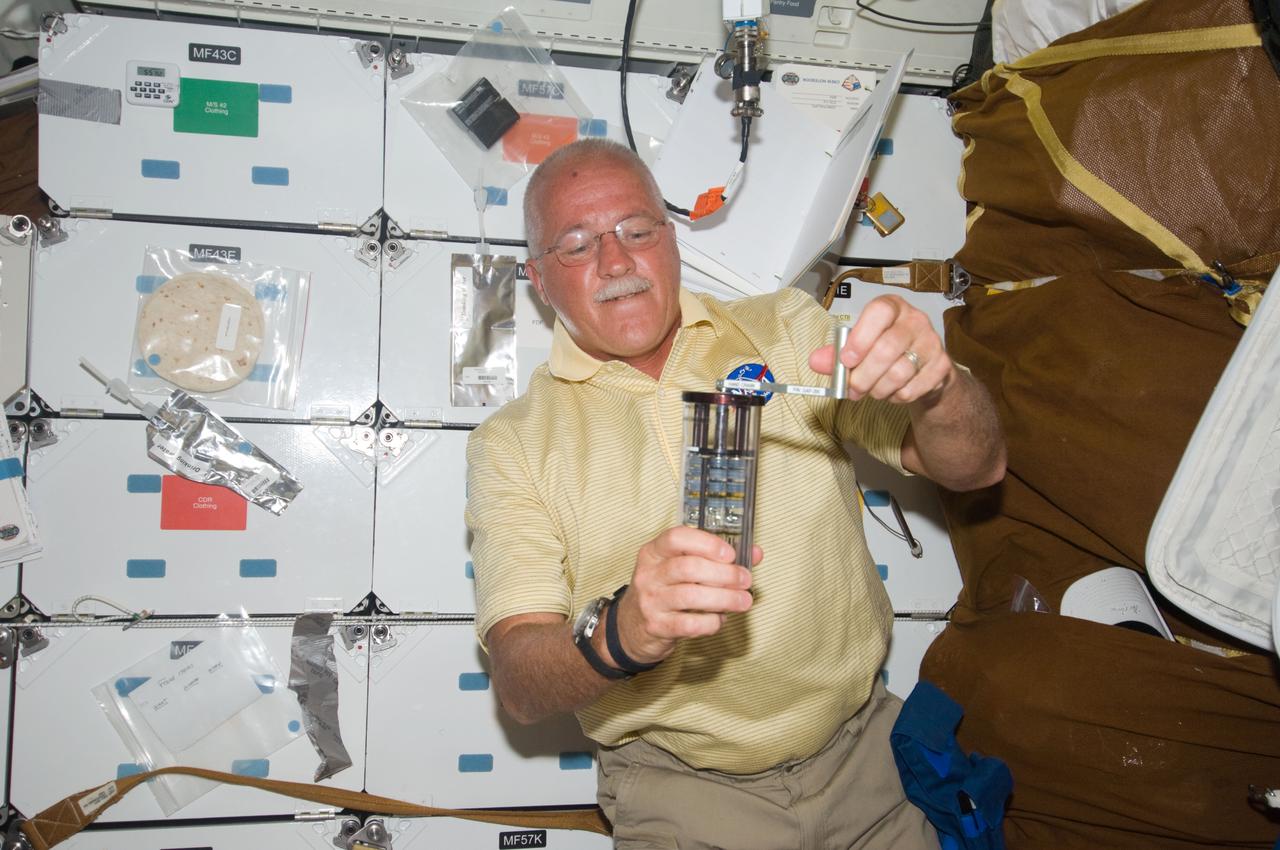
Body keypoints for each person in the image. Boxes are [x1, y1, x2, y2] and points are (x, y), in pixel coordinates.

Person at [465, 138, 1005, 849]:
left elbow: (978, 466)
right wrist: (621, 633)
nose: (616, 262)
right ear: (539, 278)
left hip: (867, 763)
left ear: (671, 237)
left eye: (636, 229)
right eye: (576, 244)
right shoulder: (513, 442)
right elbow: (521, 682)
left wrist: (940, 387)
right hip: (681, 793)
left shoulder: (787, 331)